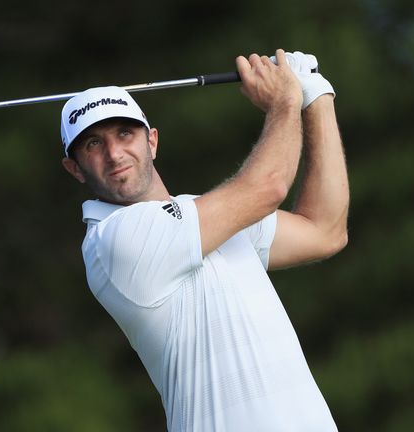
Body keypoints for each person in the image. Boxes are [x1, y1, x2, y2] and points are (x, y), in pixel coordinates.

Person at [60, 49, 349, 431]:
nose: (114, 153)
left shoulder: (209, 214)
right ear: (74, 168)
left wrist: (316, 97)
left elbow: (324, 230)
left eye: (125, 133)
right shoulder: (113, 240)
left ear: (152, 142)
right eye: (93, 144)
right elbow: (267, 187)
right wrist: (285, 101)